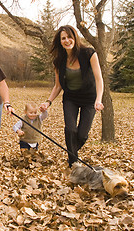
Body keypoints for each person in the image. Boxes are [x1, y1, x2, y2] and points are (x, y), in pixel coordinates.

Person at [40, 25, 104, 168]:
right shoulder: (59, 61)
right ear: (60, 41)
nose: (67, 40)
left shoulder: (89, 53)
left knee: (82, 135)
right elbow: (58, 86)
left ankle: (72, 156)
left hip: (89, 99)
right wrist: (48, 102)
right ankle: (73, 164)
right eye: (63, 38)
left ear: (75, 37)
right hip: (71, 99)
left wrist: (98, 99)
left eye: (70, 37)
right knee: (70, 130)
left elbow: (99, 79)